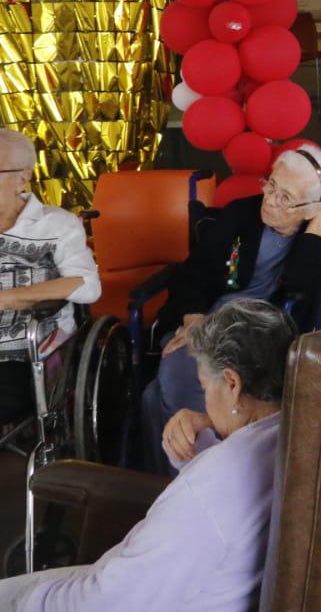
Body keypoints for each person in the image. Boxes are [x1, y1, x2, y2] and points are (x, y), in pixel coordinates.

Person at [0, 300, 297, 611]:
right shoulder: (293, 433)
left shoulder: (208, 491)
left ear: (233, 383)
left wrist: (25, 602)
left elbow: (108, 601)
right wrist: (208, 428)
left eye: (205, 387)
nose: (205, 401)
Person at [141, 143, 321, 472]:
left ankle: (198, 473)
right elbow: (194, 273)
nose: (271, 199)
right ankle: (191, 475)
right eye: (272, 185)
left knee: (158, 394)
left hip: (265, 332)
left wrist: (315, 226)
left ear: (313, 207)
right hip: (209, 316)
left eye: (286, 198)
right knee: (180, 368)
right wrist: (193, 318)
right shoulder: (241, 214)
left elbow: (302, 280)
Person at [0, 130, 99, 421]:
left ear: (23, 178)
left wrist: (11, 297)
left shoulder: (56, 224)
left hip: (22, 355)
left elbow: (87, 285)